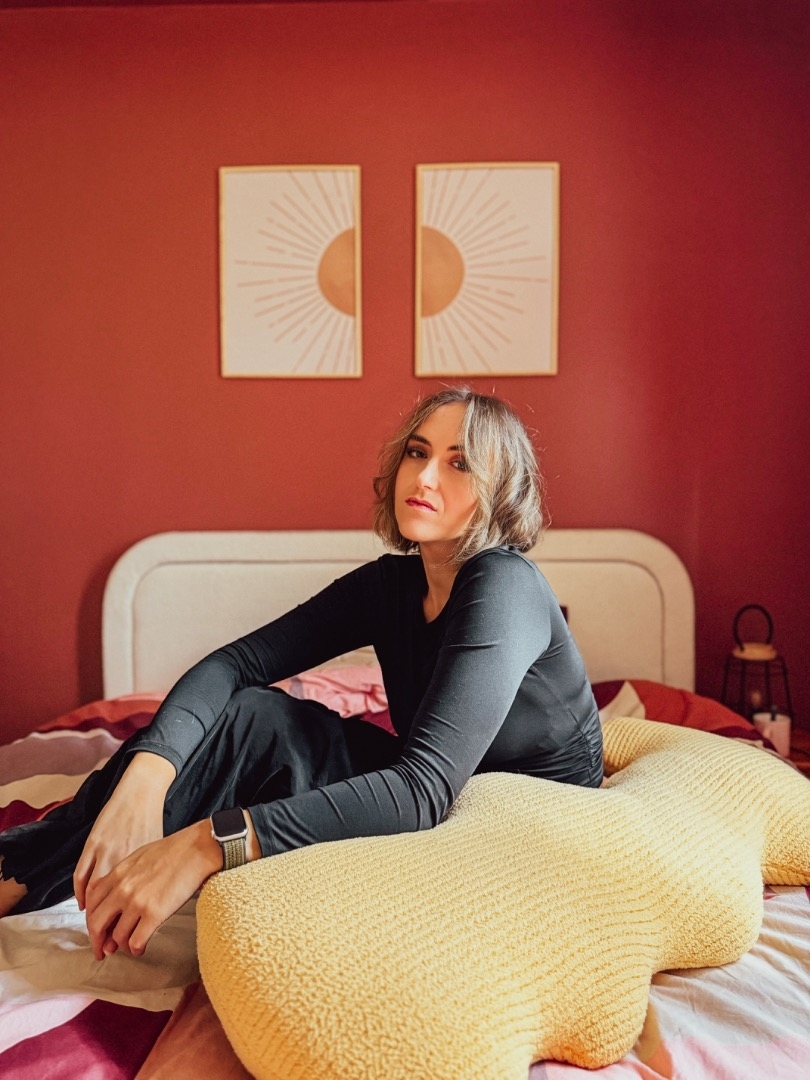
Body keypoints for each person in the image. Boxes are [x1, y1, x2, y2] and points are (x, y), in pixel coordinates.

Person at [0, 388, 603, 959]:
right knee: (255, 717)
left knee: (256, 744)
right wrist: (146, 778)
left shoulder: (504, 585)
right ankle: (28, 871)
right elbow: (233, 665)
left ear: (501, 492)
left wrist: (208, 843)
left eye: (459, 464)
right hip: (442, 805)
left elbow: (423, 788)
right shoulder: (392, 586)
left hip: (511, 838)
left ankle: (26, 871)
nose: (424, 478)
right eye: (418, 453)